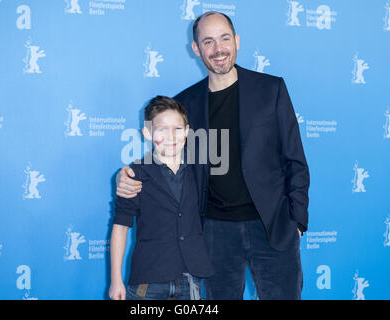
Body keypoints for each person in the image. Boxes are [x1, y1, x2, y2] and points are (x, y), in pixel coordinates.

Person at [116, 11, 309, 300]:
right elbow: (168, 158)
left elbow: (295, 159)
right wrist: (127, 175)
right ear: (196, 49)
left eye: (224, 39)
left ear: (237, 41)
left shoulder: (271, 89)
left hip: (273, 226)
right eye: (208, 42)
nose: (218, 49)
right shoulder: (185, 103)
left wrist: (298, 221)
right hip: (215, 233)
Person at [109, 96, 214, 300]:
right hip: (148, 279)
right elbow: (120, 227)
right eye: (162, 129)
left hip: (191, 280)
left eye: (177, 128)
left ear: (186, 131)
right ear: (148, 133)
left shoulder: (199, 170)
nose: (171, 136)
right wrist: (116, 280)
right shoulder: (135, 174)